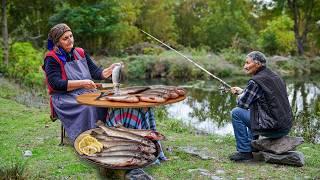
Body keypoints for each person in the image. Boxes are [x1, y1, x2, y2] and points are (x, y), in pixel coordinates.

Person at [43, 23, 119, 142]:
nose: (70, 40)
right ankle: (86, 140)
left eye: (71, 36)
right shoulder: (51, 58)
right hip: (64, 97)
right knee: (87, 107)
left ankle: (107, 135)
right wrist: (82, 83)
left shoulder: (80, 52)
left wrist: (107, 71)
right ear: (57, 42)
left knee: (107, 101)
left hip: (85, 92)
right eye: (65, 38)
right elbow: (55, 84)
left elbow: (95, 72)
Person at [229, 51, 293, 161]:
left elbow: (242, 104)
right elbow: (264, 97)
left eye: (247, 63)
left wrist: (239, 95)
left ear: (258, 64)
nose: (245, 66)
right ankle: (252, 145)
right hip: (284, 126)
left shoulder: (255, 81)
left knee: (236, 112)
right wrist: (243, 91)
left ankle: (244, 152)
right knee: (254, 109)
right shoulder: (275, 76)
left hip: (272, 128)